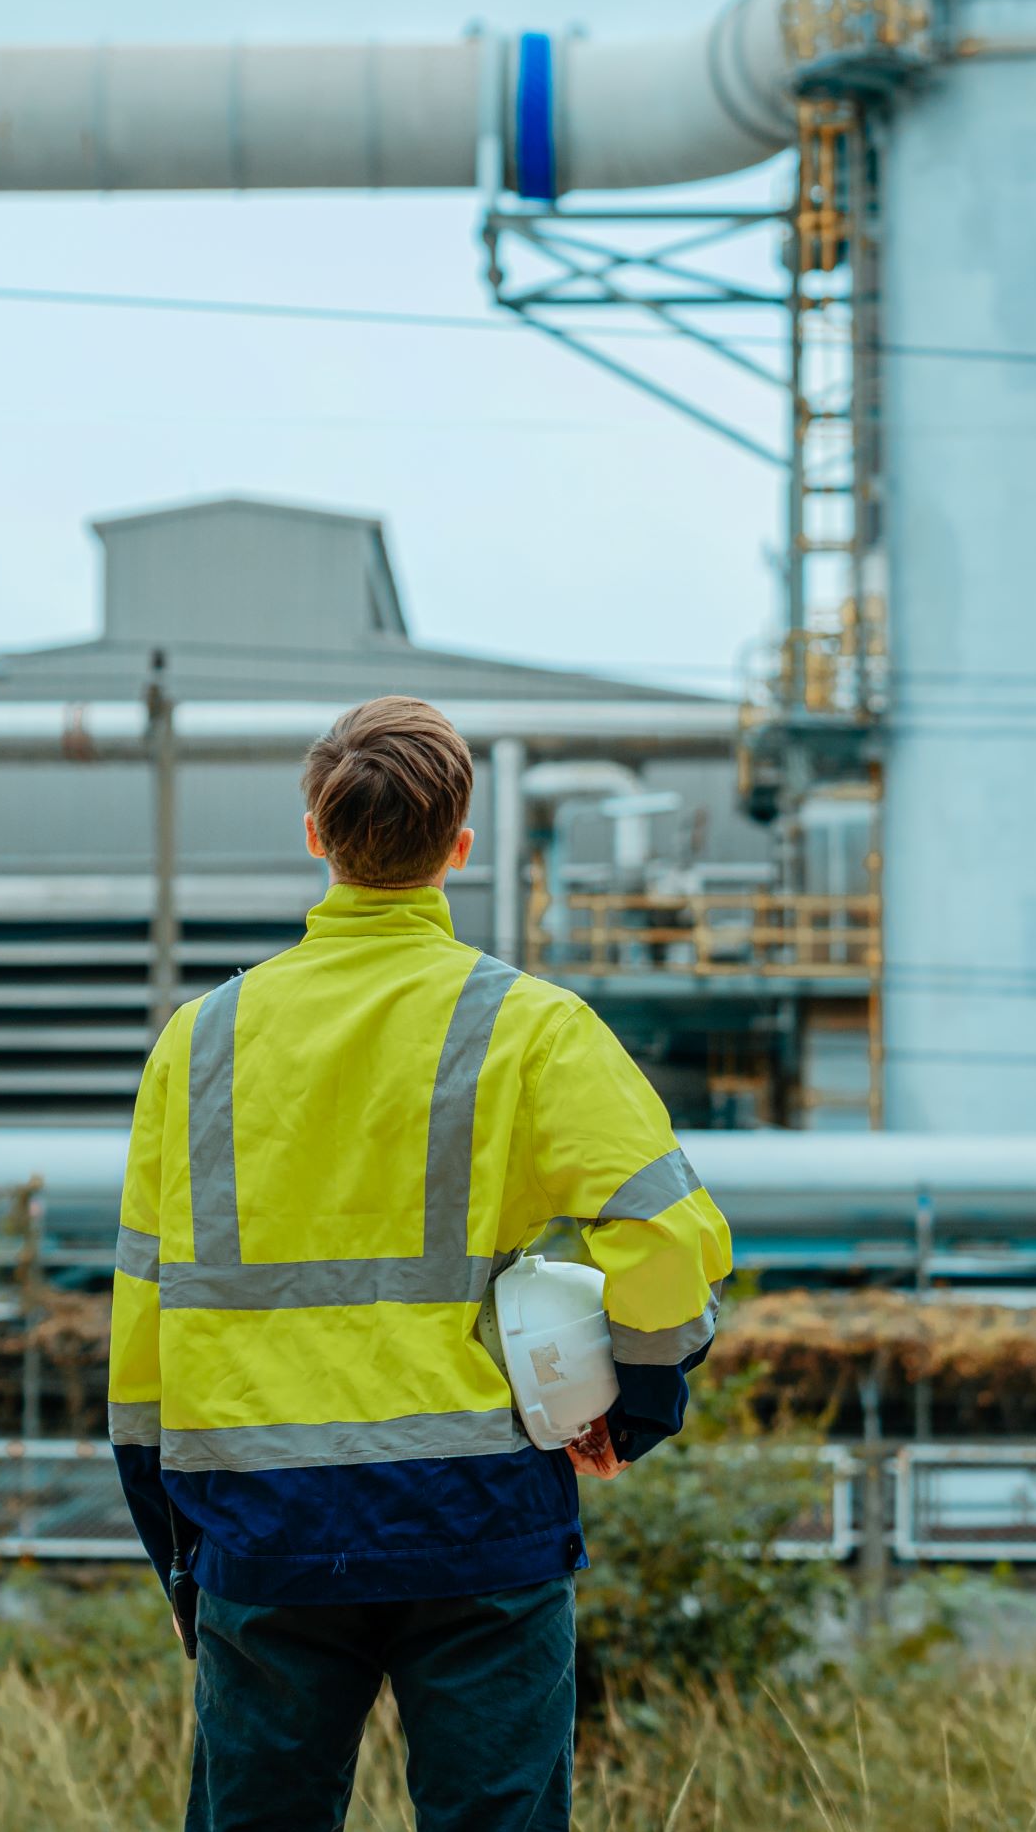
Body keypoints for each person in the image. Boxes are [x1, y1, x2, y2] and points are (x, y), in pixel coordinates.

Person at [109, 694, 730, 1832]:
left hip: (262, 1523)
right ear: (460, 846)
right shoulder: (533, 1027)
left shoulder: (196, 1044)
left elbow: (147, 1311)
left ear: (315, 834)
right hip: (479, 1511)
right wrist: (636, 1399)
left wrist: (173, 1530)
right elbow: (665, 1233)